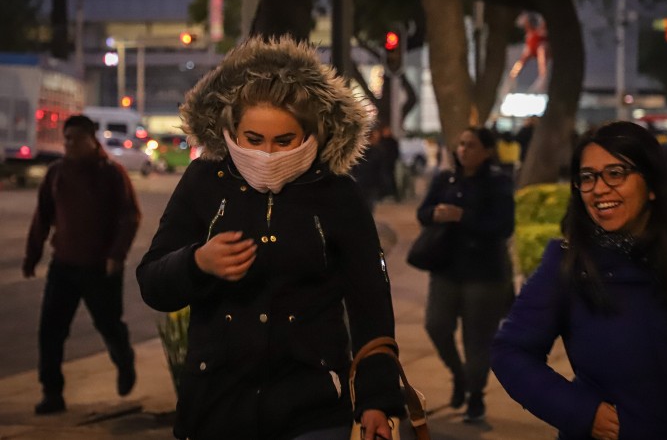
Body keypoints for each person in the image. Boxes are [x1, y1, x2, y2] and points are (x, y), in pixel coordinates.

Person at [137, 36, 403, 440]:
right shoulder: (204, 182)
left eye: (284, 141)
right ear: (231, 132)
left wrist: (377, 400)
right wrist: (197, 262)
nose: (267, 154)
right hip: (217, 406)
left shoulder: (338, 194)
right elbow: (153, 283)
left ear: (310, 135)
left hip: (312, 408)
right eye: (253, 139)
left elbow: (370, 304)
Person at [492, 121, 667, 440]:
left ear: (653, 184)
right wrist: (582, 412)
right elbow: (510, 351)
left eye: (616, 173)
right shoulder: (569, 263)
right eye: (587, 177)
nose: (599, 188)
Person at [22, 114, 141, 415]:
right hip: (63, 265)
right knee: (50, 330)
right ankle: (52, 392)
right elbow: (42, 218)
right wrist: (32, 255)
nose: (69, 145)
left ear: (92, 140)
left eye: (75, 139)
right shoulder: (56, 173)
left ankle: (124, 360)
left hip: (101, 268)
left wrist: (116, 254)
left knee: (108, 324)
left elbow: (129, 217)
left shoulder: (112, 174)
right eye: (66, 139)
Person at [417, 127, 515, 422]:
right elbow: (423, 212)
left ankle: (475, 395)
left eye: (471, 145)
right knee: (436, 325)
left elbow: (503, 226)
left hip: (484, 275)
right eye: (461, 144)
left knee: (477, 340)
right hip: (446, 268)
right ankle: (459, 376)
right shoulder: (445, 178)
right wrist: (435, 213)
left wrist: (463, 216)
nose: (463, 150)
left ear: (486, 151)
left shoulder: (498, 182)